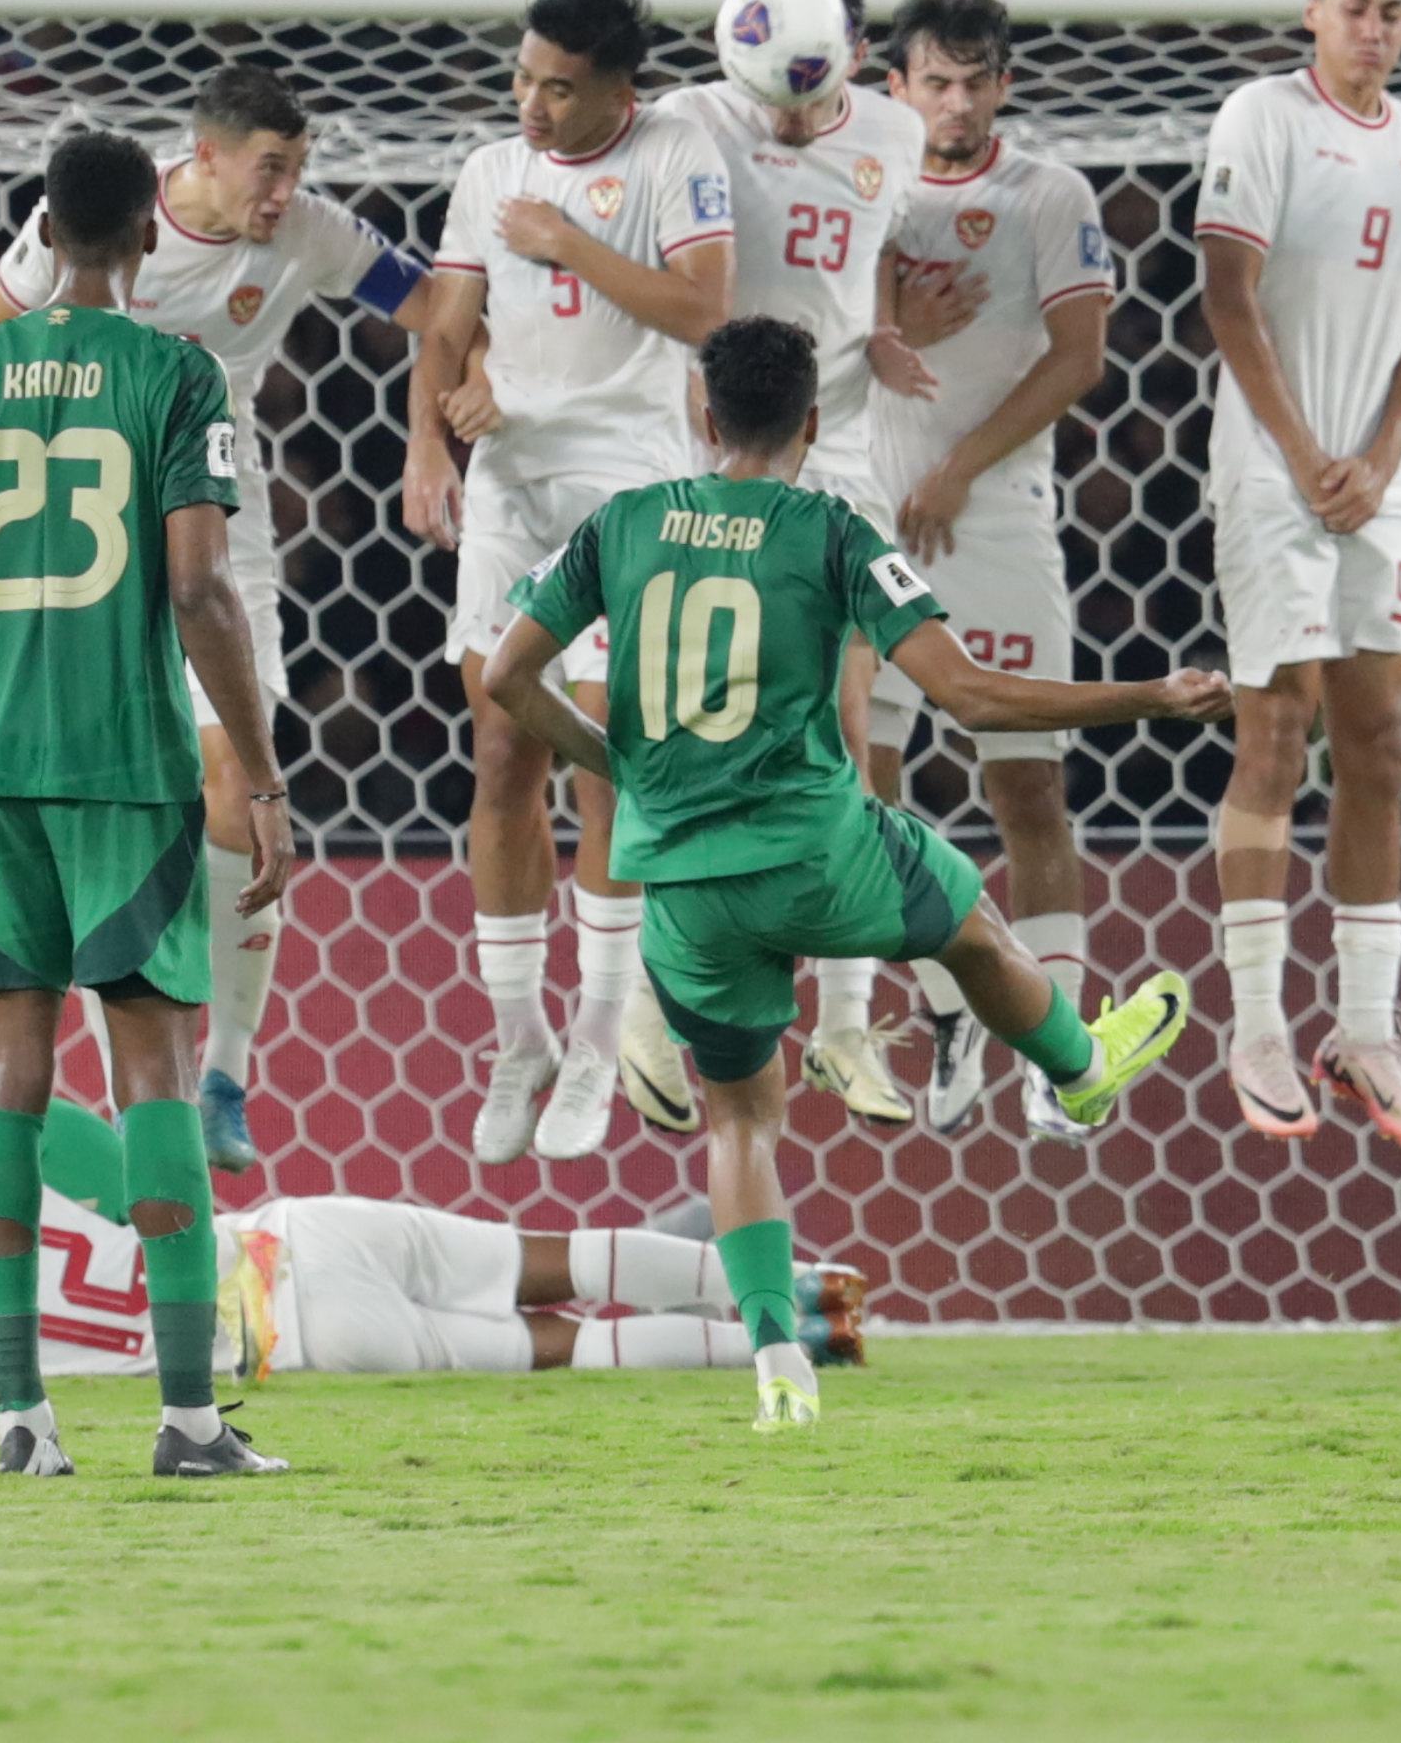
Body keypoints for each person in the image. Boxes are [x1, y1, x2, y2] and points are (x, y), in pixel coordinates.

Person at [480, 316, 1226, 1430]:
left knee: (740, 1122)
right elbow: (970, 697)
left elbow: (506, 675)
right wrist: (1149, 697)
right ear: (813, 423)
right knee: (974, 933)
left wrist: (617, 765)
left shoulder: (621, 523)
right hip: (820, 852)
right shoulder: (831, 528)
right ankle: (1075, 1068)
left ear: (702, 411)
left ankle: (780, 1355)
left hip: (679, 882)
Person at [0, 129, 292, 1480]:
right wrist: (262, 768)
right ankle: (184, 1420)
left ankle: (20, 1415)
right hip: (127, 770)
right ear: (146, 240)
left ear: (44, 235)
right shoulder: (179, 375)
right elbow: (197, 589)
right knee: (157, 1071)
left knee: (7, 1067)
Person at [0, 63, 445, 1174]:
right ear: (205, 154)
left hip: (222, 527)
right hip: (86, 543)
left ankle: (225, 1069)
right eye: (269, 169)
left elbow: (435, 302)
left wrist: (435, 422)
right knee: (114, 805)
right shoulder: (97, 228)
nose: (284, 192)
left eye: (298, 169)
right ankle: (141, 1071)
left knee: (235, 783)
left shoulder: (312, 235)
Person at [401, 0, 735, 1169]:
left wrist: (574, 243)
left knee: (605, 754)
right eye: (523, 77)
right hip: (511, 480)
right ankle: (518, 1037)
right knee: (501, 747)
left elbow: (707, 310)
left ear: (616, 92)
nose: (530, 103)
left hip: (629, 481)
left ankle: (600, 1035)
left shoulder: (675, 152)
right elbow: (446, 323)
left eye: (557, 86)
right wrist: (427, 441)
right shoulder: (490, 170)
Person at [1192, 0, 1401, 1156]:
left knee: (1382, 738)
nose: (1377, 27)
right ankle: (1254, 1023)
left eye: (1395, 8)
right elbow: (1225, 293)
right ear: (1314, 11)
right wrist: (1304, 452)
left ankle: (1364, 1029)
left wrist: (1383, 457)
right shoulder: (1262, 117)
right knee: (1278, 727)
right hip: (1270, 466)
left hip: (1374, 480)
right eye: (1357, 3)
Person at [659, 0, 939, 1130]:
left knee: (854, 724)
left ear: (854, 63)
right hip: (721, 445)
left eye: (800, 94)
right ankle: (659, 1012)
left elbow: (866, 248)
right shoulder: (687, 120)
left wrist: (874, 333)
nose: (776, 114)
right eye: (761, 89)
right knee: (707, 726)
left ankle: (840, 1025)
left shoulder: (896, 131)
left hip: (842, 451)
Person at [0, 1098, 868, 1381]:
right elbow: (122, 1166)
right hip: (286, 1238)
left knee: (563, 1345)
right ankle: (798, 1290)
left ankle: (810, 1349)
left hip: (288, 1340)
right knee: (558, 1254)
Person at [862, 0, 1116, 1143]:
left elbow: (1080, 356)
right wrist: (883, 317)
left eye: (976, 81)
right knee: (866, 790)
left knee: (1028, 793)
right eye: (935, 82)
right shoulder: (864, 185)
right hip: (870, 520)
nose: (955, 104)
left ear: (1003, 84)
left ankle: (1056, 1052)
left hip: (998, 517)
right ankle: (949, 998)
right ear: (894, 85)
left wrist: (963, 464)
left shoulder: (1049, 194)